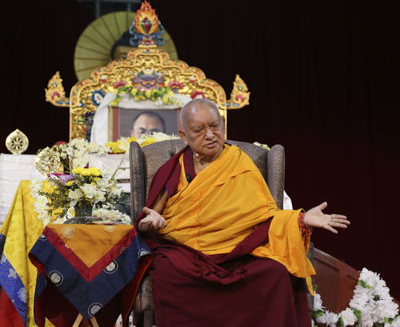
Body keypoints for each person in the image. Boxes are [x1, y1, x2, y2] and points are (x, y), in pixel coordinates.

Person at [135, 99, 350, 327]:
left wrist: (300, 218)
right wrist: (150, 224)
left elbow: (264, 216)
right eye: (199, 130)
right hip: (187, 255)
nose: (210, 135)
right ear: (183, 134)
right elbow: (145, 224)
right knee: (167, 272)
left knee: (275, 271)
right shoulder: (173, 170)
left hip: (237, 254)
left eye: (215, 126)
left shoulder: (239, 163)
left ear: (223, 124)